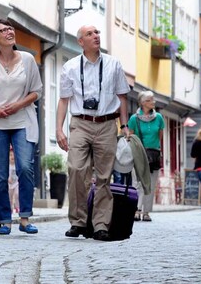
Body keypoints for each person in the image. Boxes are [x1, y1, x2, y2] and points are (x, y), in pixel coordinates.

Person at [56, 25, 131, 241]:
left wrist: (124, 125)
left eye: (97, 32)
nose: (96, 36)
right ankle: (78, 221)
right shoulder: (70, 67)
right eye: (90, 34)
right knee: (77, 169)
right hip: (80, 123)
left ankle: (100, 225)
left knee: (104, 176)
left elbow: (122, 96)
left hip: (107, 123)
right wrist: (58, 129)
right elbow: (63, 100)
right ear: (80, 41)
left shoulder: (113, 64)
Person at [0, 19, 43, 235]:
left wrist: (18, 105)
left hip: (23, 121)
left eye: (11, 28)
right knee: (1, 174)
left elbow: (37, 91)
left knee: (24, 167)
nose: (9, 32)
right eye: (3, 30)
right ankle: (3, 219)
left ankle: (25, 218)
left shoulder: (28, 60)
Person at [127, 91, 164, 222]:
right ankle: (136, 210)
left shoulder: (159, 117)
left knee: (150, 184)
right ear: (143, 103)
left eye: (153, 99)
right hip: (138, 154)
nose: (153, 102)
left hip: (153, 154)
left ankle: (146, 211)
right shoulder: (134, 119)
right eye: (150, 100)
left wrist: (153, 148)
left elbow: (159, 135)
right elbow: (130, 136)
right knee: (137, 183)